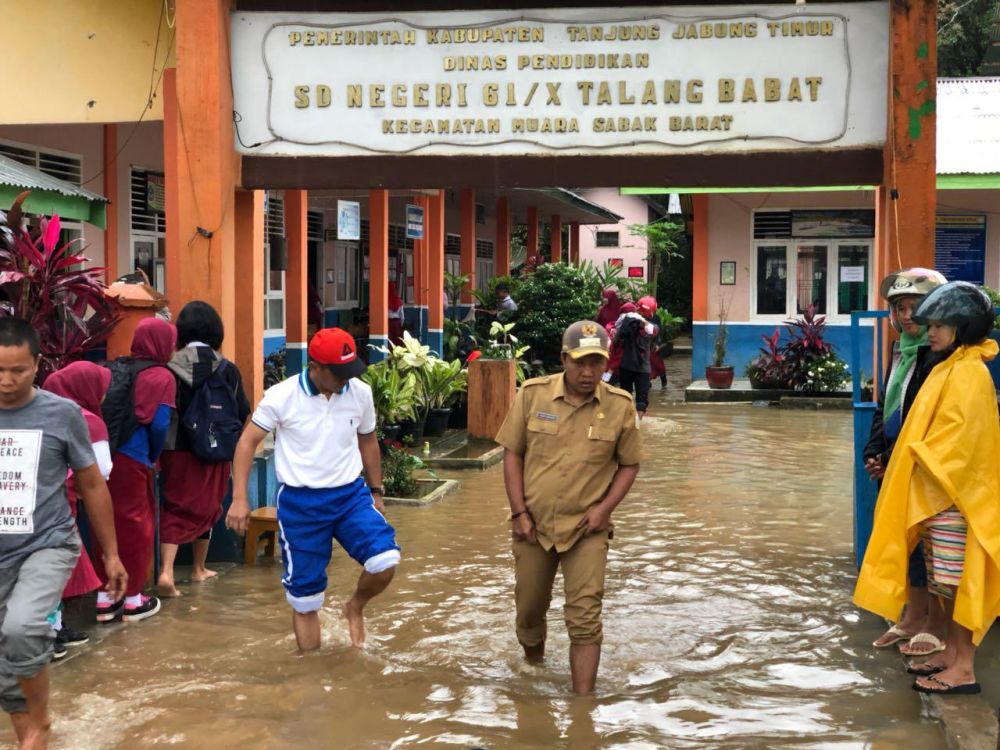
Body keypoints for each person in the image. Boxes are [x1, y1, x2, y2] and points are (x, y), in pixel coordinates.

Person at [854, 281, 1000, 695]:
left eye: (939, 325)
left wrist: (912, 460)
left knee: (959, 583)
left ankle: (964, 668)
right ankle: (951, 654)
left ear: (964, 327)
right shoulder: (950, 366)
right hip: (939, 496)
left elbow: (959, 442)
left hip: (955, 498)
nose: (929, 332)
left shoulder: (969, 372)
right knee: (943, 583)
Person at [226, 328, 400, 652]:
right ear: (315, 367)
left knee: (385, 559)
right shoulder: (281, 396)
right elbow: (247, 442)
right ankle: (311, 674)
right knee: (305, 600)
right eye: (339, 373)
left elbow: (368, 439)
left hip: (350, 495)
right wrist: (239, 499)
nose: (346, 380)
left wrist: (377, 491)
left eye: (350, 372)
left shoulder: (359, 393)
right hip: (300, 503)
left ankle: (355, 607)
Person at [495, 320, 642, 694]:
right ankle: (534, 668)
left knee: (585, 617)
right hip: (534, 527)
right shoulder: (533, 395)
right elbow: (512, 454)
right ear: (564, 358)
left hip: (587, 530)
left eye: (597, 362)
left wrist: (604, 510)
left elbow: (629, 464)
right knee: (529, 612)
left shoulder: (620, 406)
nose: (588, 371)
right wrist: (518, 513)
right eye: (580, 362)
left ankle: (582, 707)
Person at [0, 318, 126, 749]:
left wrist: (111, 555)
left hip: (47, 542)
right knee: (5, 654)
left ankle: (38, 725)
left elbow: (92, 483)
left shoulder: (62, 414)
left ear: (37, 363)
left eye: (17, 370)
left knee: (21, 627)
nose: (6, 380)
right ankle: (30, 736)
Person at [864, 269, 949, 657]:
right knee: (910, 547)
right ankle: (913, 617)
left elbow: (936, 422)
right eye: (901, 308)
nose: (908, 316)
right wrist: (874, 451)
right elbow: (888, 406)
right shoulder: (902, 351)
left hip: (927, 470)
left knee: (936, 549)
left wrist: (901, 459)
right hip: (895, 464)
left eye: (917, 307)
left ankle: (936, 625)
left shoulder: (943, 357)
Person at [158, 302, 251, 597]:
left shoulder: (169, 367)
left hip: (177, 449)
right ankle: (199, 568)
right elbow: (243, 410)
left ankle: (167, 571)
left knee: (176, 505)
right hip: (216, 448)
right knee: (210, 505)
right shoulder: (227, 369)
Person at [92, 317, 176, 624]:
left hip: (103, 455)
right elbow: (160, 425)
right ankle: (132, 599)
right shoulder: (162, 376)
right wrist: (153, 457)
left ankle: (104, 599)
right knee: (138, 528)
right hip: (135, 458)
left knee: (106, 524)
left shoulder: (117, 368)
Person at [41, 363, 115, 657]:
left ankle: (55, 628)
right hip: (60, 508)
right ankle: (48, 635)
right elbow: (102, 472)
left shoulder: (40, 414)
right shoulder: (88, 421)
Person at [614, 296, 659, 419]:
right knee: (641, 403)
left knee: (625, 398)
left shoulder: (626, 322)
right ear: (652, 311)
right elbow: (654, 342)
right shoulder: (654, 327)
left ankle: (627, 423)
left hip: (626, 366)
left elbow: (616, 339)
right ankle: (638, 426)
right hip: (642, 369)